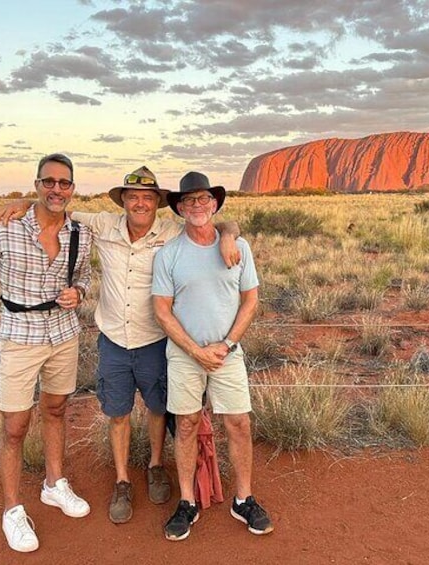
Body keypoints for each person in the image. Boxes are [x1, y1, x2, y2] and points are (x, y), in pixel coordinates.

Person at [0, 166, 240, 525]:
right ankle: (122, 479)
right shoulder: (103, 224)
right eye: (133, 196)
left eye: (148, 198)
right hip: (113, 340)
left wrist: (229, 235)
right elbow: (56, 207)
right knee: (118, 412)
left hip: (155, 338)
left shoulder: (172, 230)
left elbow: (218, 226)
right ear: (123, 200)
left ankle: (156, 465)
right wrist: (24, 201)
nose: (140, 203)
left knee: (157, 407)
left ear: (158, 202)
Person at [0, 153, 93, 553]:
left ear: (72, 188)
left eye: (64, 183)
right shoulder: (6, 224)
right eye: (48, 181)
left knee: (55, 410)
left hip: (63, 332)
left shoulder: (80, 233)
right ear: (36, 184)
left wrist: (80, 292)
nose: (56, 189)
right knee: (15, 426)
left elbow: (84, 274)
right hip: (18, 335)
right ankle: (13, 510)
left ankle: (54, 484)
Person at [152, 171, 274, 541]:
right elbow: (162, 310)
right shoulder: (169, 254)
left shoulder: (240, 247)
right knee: (186, 425)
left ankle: (243, 498)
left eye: (203, 199)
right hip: (185, 354)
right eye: (189, 201)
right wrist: (195, 351)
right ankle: (188, 502)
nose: (197, 206)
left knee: (238, 423)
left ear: (215, 204)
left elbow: (250, 300)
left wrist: (228, 344)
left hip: (228, 352)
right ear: (180, 208)